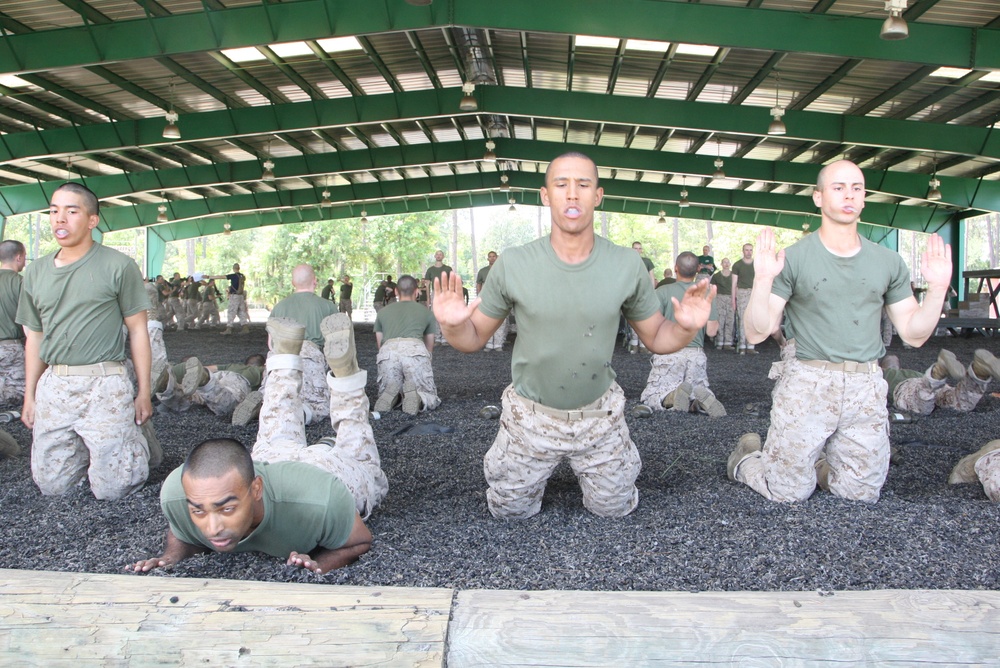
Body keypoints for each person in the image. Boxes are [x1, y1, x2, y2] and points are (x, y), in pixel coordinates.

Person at [432, 152, 715, 519]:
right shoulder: (514, 264)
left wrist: (687, 327)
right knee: (509, 513)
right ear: (545, 195)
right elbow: (471, 340)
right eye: (561, 184)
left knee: (614, 510)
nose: (572, 194)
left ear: (597, 196)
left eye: (583, 185)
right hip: (529, 416)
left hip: (599, 414)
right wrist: (452, 324)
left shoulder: (626, 265)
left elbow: (658, 338)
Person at [727, 160, 954, 504]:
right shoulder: (793, 258)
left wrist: (938, 289)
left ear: (863, 199)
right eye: (838, 187)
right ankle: (746, 458)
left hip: (865, 387)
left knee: (860, 494)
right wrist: (762, 279)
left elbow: (914, 333)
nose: (849, 195)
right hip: (808, 382)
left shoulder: (888, 261)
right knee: (787, 493)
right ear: (818, 197)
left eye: (857, 188)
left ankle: (817, 465)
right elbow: (757, 331)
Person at [131, 314, 387, 574]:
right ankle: (322, 370)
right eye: (198, 512)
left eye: (227, 508)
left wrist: (319, 562)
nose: (213, 528)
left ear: (256, 489)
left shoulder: (323, 498)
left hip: (329, 471)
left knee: (362, 463)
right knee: (276, 430)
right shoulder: (180, 492)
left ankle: (327, 371)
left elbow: (360, 540)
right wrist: (170, 558)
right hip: (271, 460)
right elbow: (183, 532)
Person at [17, 182, 156, 500]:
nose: (59, 219)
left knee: (116, 489)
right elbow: (34, 338)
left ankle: (135, 444)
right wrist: (30, 395)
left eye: (71, 211)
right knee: (52, 487)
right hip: (56, 383)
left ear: (92, 220)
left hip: (104, 383)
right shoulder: (36, 272)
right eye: (54, 211)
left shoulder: (118, 266)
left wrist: (143, 393)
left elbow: (137, 331)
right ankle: (95, 446)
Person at [639, 252, 725, 417]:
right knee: (698, 388)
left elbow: (652, 326)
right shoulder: (705, 294)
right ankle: (699, 402)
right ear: (697, 269)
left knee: (652, 395)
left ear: (675, 268)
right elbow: (712, 331)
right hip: (696, 355)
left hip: (668, 353)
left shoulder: (662, 291)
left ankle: (670, 396)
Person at [267, 264, 339, 425]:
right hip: (309, 353)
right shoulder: (327, 306)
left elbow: (270, 344)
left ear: (293, 283)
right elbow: (337, 346)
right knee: (320, 405)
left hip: (279, 355)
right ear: (315, 281)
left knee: (276, 392)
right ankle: (301, 414)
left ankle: (264, 402)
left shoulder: (279, 307)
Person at [373, 275, 440, 415]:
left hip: (388, 352)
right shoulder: (426, 313)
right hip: (414, 350)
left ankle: (394, 396)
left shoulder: (382, 313)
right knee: (429, 395)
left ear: (396, 291)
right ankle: (419, 398)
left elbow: (380, 344)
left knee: (387, 388)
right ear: (416, 292)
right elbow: (429, 346)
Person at [881, 348, 1000, 417]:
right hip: (923, 378)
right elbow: (892, 359)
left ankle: (939, 371)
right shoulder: (901, 372)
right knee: (959, 403)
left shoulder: (881, 376)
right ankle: (979, 372)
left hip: (906, 387)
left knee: (921, 407)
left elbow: (891, 359)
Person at [156, 354, 266, 418]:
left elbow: (210, 367)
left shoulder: (232, 366)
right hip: (237, 380)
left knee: (192, 399)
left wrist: (197, 370)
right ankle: (204, 380)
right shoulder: (257, 370)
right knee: (229, 402)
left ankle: (166, 386)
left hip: (216, 376)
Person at [0, 240, 27, 405]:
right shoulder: (21, 283)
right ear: (18, 257)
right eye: (24, 257)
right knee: (15, 399)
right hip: (11, 349)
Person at [626, 242, 657, 353]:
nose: (637, 250)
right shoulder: (627, 261)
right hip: (632, 293)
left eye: (639, 248)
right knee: (633, 318)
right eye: (635, 248)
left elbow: (651, 277)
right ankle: (634, 344)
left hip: (645, 293)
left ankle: (644, 344)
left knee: (645, 318)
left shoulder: (647, 261)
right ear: (632, 249)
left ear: (641, 250)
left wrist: (652, 292)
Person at [476, 251, 508, 351]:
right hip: (486, 299)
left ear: (497, 257)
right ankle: (488, 344)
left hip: (500, 298)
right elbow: (479, 284)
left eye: (494, 256)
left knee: (500, 321)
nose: (492, 258)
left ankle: (498, 344)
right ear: (487, 258)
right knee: (487, 321)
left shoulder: (503, 270)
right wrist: (479, 297)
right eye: (490, 256)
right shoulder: (482, 271)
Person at [731, 242, 757, 354]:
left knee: (752, 320)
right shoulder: (737, 265)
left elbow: (759, 281)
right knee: (742, 320)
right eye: (746, 250)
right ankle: (742, 345)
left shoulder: (757, 264)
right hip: (741, 293)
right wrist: (733, 300)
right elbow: (733, 284)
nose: (749, 252)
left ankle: (751, 346)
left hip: (754, 293)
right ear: (743, 251)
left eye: (750, 250)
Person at [209, 262, 249, 335]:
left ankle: (229, 328)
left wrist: (210, 277)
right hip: (241, 296)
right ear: (239, 268)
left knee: (231, 312)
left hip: (234, 296)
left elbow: (221, 277)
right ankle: (245, 327)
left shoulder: (233, 276)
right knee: (241, 311)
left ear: (233, 269)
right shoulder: (242, 276)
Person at [424, 252, 451, 344]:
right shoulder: (430, 270)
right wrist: (428, 298)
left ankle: (445, 337)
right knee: (435, 315)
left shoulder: (447, 269)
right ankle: (437, 337)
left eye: (440, 254)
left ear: (443, 256)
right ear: (435, 256)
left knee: (445, 316)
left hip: (445, 293)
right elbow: (427, 285)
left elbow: (452, 282)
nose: (439, 256)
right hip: (435, 293)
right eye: (437, 254)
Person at [710, 258, 735, 350]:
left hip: (730, 298)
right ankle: (720, 341)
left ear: (730, 263)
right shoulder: (716, 276)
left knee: (730, 320)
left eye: (728, 262)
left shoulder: (734, 275)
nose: (726, 264)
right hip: (720, 298)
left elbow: (736, 286)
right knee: (720, 320)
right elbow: (712, 288)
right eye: (724, 262)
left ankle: (728, 342)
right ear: (721, 264)